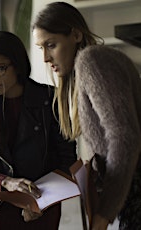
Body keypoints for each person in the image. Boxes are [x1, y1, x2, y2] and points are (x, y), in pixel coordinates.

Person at [32, 2, 141, 230]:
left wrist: (103, 214)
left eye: (51, 45)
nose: (45, 58)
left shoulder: (92, 60)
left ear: (76, 34)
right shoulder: (98, 61)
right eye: (40, 47)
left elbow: (125, 138)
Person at [0, 30, 77, 230]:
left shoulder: (50, 99)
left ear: (18, 65)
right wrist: (5, 181)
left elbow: (67, 160)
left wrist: (41, 202)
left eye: (0, 68)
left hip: (43, 204)